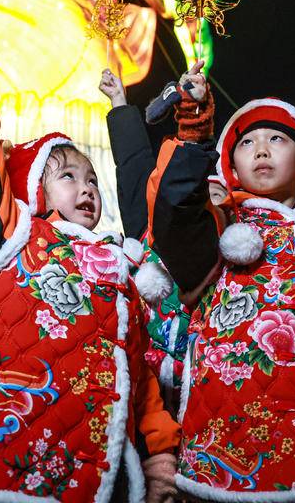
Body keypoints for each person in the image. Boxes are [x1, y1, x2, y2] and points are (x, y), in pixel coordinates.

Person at [0, 10, 180, 503]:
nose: (87, 188)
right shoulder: (10, 239)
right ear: (33, 189)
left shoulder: (121, 273)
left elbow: (141, 375)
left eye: (92, 180)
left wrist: (159, 460)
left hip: (93, 479)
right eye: (68, 176)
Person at [148, 67, 295, 501]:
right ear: (231, 166)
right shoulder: (221, 225)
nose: (260, 148)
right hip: (234, 441)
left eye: (276, 139)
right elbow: (174, 218)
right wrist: (195, 132)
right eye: (246, 143)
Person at [99, 66, 190, 411]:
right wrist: (120, 103)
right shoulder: (145, 238)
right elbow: (135, 167)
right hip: (144, 400)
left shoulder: (218, 255)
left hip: (200, 401)